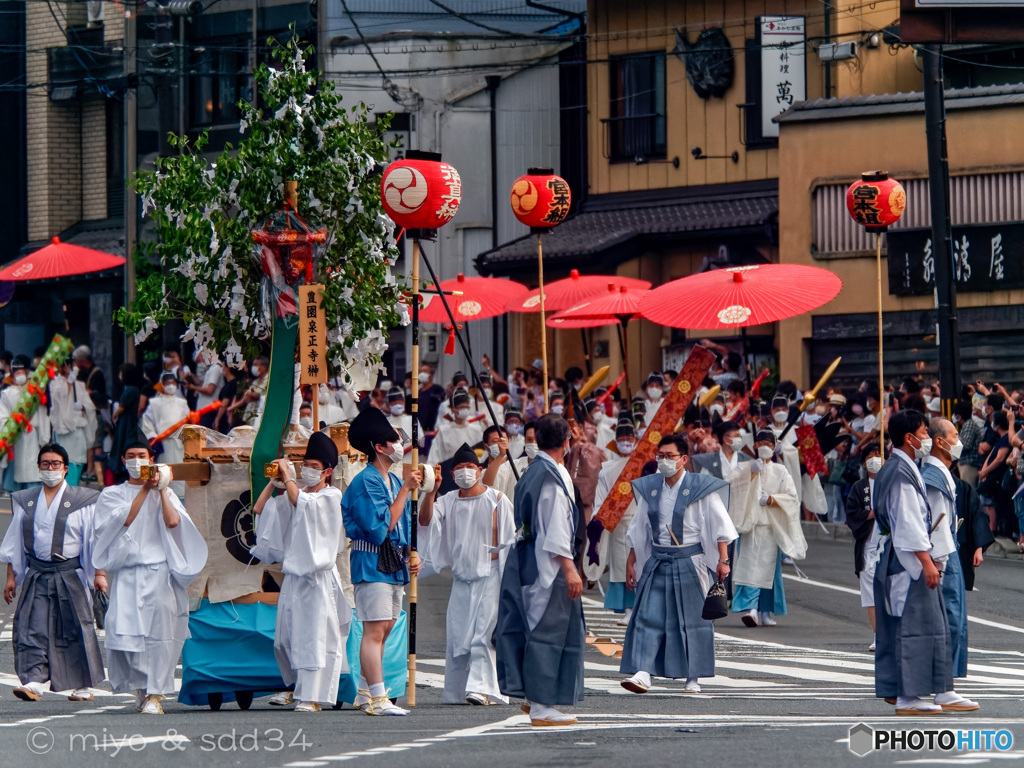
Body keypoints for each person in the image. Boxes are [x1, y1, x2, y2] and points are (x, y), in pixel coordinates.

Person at [91, 441, 208, 714]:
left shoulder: (162, 492)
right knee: (123, 635)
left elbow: (173, 522)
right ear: (122, 460)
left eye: (141, 456)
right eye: (130, 456)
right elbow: (126, 519)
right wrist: (145, 488)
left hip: (158, 573)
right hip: (127, 574)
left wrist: (162, 489)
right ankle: (141, 687)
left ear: (152, 458)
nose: (136, 460)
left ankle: (156, 693)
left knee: (159, 636)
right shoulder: (112, 494)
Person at [872, 410, 975, 715]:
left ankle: (943, 690)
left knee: (936, 627)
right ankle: (908, 696)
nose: (927, 438)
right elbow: (908, 523)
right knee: (911, 628)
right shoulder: (901, 473)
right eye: (924, 433)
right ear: (909, 438)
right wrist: (927, 561)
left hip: (913, 558)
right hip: (909, 562)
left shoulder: (904, 468)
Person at [620, 434, 736, 694]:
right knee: (648, 617)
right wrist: (632, 561)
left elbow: (720, 526)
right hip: (658, 560)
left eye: (669, 456)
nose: (663, 461)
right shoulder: (650, 487)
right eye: (660, 456)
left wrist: (723, 560)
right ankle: (643, 672)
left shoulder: (700, 488)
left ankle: (692, 676)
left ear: (683, 459)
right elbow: (639, 529)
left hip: (689, 560)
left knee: (693, 620)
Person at [495, 413, 585, 727]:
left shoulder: (535, 468)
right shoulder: (551, 476)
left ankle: (534, 697)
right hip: (547, 563)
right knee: (547, 632)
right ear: (566, 442)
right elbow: (557, 527)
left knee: (532, 628)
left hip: (530, 557)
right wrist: (570, 569)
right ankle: (542, 705)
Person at [251, 432, 350, 712]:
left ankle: (312, 697)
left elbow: (301, 504)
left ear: (327, 471)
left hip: (317, 579)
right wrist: (274, 483)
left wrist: (291, 478)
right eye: (304, 463)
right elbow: (260, 509)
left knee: (313, 638)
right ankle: (295, 686)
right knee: (284, 639)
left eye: (314, 466)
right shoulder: (299, 493)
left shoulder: (331, 495)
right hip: (294, 578)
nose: (307, 469)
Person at [1, 444, 105, 702]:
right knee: (29, 626)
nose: (50, 468)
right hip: (37, 572)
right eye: (45, 464)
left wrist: (99, 575)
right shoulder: (26, 501)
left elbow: (93, 541)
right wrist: (11, 576)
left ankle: (81, 685)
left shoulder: (83, 501)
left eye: (55, 464)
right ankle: (34, 681)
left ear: (66, 469)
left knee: (74, 628)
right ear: (38, 468)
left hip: (70, 573)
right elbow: (14, 542)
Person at [418, 443, 514, 705]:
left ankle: (482, 689)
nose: (464, 472)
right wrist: (431, 493)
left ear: (479, 470)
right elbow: (425, 522)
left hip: (491, 577)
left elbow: (510, 542)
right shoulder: (447, 501)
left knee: (483, 636)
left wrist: (511, 585)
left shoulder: (497, 500)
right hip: (461, 580)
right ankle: (459, 691)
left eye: (469, 468)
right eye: (458, 469)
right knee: (458, 638)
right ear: (451, 475)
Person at [341, 408, 421, 716]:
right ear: (379, 446)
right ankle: (377, 697)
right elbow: (382, 526)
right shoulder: (366, 482)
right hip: (371, 562)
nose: (398, 445)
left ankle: (365, 692)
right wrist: (405, 489)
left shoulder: (388, 479)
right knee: (374, 630)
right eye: (393, 440)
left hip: (392, 562)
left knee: (385, 628)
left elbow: (403, 525)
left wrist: (413, 553)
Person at [731, 430, 805, 628]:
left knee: (767, 570)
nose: (764, 446)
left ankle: (763, 611)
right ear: (754, 445)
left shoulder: (781, 471)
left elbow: (792, 498)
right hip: (750, 527)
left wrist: (772, 499)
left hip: (770, 527)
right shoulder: (745, 467)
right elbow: (732, 487)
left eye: (768, 443)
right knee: (750, 568)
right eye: (760, 442)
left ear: (774, 447)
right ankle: (752, 609)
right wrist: (750, 473)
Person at [920, 419, 973, 690]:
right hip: (942, 550)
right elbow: (936, 523)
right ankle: (942, 679)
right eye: (954, 435)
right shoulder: (933, 475)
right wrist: (937, 563)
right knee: (948, 614)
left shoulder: (938, 472)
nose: (958, 441)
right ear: (939, 441)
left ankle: (945, 677)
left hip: (947, 547)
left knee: (952, 614)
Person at [593, 419, 638, 623]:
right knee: (620, 567)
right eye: (622, 439)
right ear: (615, 442)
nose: (626, 443)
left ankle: (639, 608)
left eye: (629, 439)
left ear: (636, 441)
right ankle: (628, 608)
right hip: (618, 524)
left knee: (640, 566)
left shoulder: (645, 465)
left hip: (640, 521)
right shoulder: (607, 470)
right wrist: (598, 519)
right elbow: (600, 498)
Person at [844, 443, 884, 650]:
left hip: (891, 545)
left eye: (878, 454)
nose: (875, 458)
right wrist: (873, 513)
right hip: (868, 545)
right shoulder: (859, 488)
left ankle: (895, 633)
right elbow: (852, 514)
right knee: (871, 593)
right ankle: (878, 635)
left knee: (892, 591)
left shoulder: (892, 483)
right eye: (870, 455)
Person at [0, 355, 51, 492]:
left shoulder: (36, 392)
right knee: (16, 471)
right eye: (17, 371)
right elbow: (2, 416)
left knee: (32, 469)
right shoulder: (7, 393)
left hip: (32, 435)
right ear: (12, 373)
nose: (20, 374)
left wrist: (44, 438)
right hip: (15, 437)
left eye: (23, 371)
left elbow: (42, 415)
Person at [141, 373, 191, 497]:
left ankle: (180, 499)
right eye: (168, 383)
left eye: (173, 383)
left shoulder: (182, 402)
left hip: (179, 443)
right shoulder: (154, 403)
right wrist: (153, 438)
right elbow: (146, 421)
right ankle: (162, 498)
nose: (171, 386)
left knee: (179, 473)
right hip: (163, 444)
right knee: (164, 472)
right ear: (162, 385)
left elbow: (189, 420)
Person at [49, 358, 97, 486]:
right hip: (64, 430)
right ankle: (66, 491)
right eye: (69, 365)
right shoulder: (56, 384)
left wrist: (82, 406)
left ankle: (73, 488)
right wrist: (69, 382)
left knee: (78, 461)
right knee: (66, 461)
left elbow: (90, 406)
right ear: (63, 367)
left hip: (79, 428)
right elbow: (59, 398)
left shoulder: (80, 385)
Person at [428, 389, 484, 466]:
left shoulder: (476, 429)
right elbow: (434, 457)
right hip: (449, 471)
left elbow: (482, 453)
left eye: (467, 407)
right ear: (453, 409)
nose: (465, 410)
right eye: (462, 407)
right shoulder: (444, 431)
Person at [182, 351, 223, 428]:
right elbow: (201, 384)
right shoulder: (211, 368)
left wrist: (192, 387)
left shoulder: (216, 368)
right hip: (204, 410)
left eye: (200, 358)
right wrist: (191, 375)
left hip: (209, 409)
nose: (201, 361)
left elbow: (210, 390)